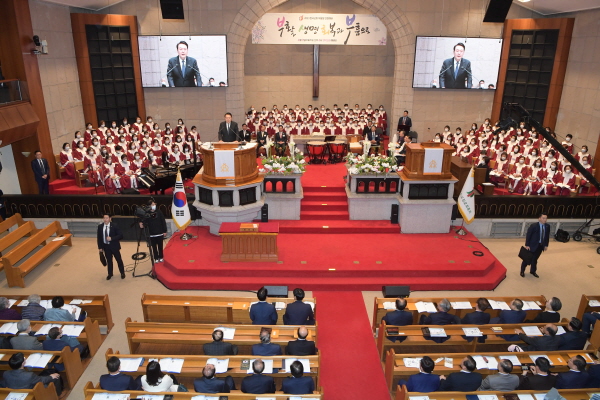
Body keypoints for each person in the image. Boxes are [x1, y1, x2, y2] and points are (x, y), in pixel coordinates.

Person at [520, 213, 550, 278]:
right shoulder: (533, 226)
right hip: (532, 245)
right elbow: (528, 235)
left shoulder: (547, 226)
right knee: (527, 258)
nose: (545, 220)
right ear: (539, 218)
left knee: (535, 259)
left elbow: (547, 236)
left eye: (546, 218)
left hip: (540, 246)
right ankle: (522, 271)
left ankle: (533, 271)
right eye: (543, 218)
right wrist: (527, 245)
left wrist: (546, 245)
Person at [98, 213, 126, 280]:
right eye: (104, 218)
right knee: (109, 261)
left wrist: (112, 238)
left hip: (114, 246)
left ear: (110, 219)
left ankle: (122, 273)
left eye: (107, 218)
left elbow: (120, 235)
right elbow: (99, 238)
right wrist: (100, 247)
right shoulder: (100, 227)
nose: (105, 219)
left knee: (119, 260)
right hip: (106, 247)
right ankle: (110, 274)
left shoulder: (114, 225)